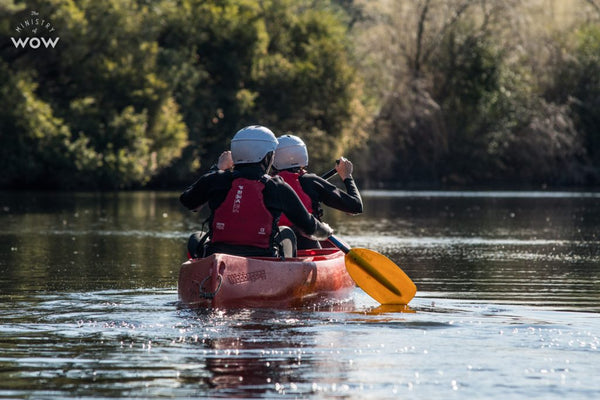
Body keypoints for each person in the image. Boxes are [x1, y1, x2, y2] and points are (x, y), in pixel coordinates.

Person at [180, 125, 333, 259]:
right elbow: (310, 228)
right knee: (286, 232)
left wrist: (217, 168)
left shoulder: (215, 179)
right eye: (272, 155)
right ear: (266, 157)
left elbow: (188, 202)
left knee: (197, 238)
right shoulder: (276, 186)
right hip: (263, 259)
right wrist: (326, 230)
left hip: (217, 255)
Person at [272, 134, 363, 249]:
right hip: (307, 245)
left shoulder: (268, 182)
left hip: (275, 244)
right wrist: (347, 176)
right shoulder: (311, 181)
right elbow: (356, 206)